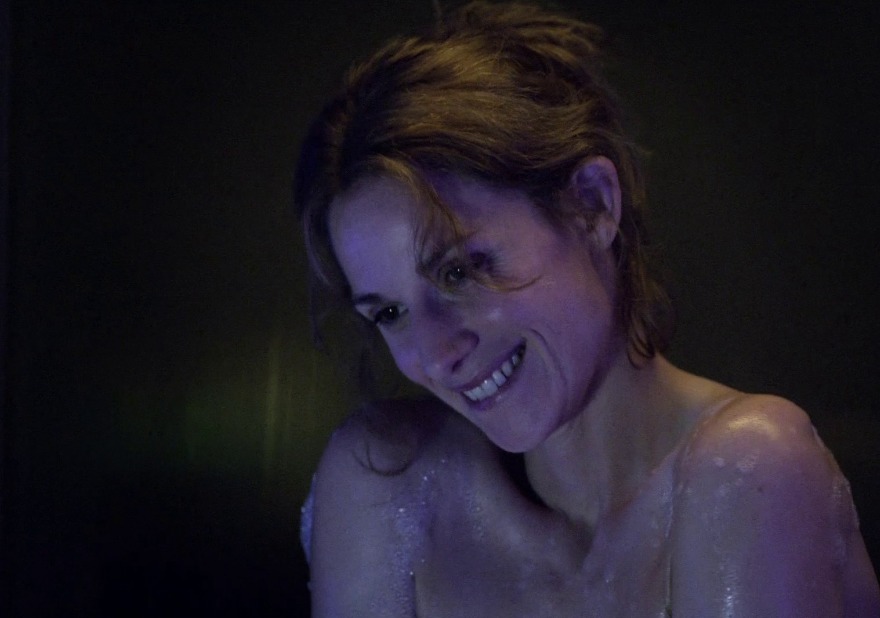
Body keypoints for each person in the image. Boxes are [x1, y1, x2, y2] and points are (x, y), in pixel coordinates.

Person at [295, 2, 880, 615]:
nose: (436, 355)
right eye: (389, 314)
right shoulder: (387, 486)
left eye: (458, 272)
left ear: (592, 206)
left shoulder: (749, 469)